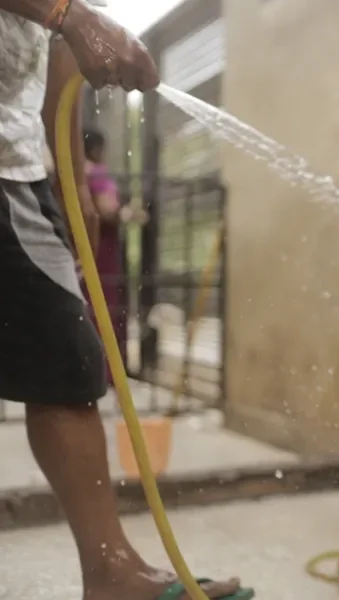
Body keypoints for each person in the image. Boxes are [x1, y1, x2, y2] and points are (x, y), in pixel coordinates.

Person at [0, 1, 253, 599]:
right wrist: (69, 14)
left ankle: (111, 570)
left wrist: (75, 183)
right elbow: (63, 29)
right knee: (66, 357)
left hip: (18, 163)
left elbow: (55, 59)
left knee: (68, 363)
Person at [81, 128, 146, 379]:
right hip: (102, 247)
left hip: (78, 246)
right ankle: (104, 372)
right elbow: (108, 210)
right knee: (104, 308)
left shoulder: (72, 171)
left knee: (83, 306)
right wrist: (130, 214)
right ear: (98, 148)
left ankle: (84, 369)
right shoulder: (96, 172)